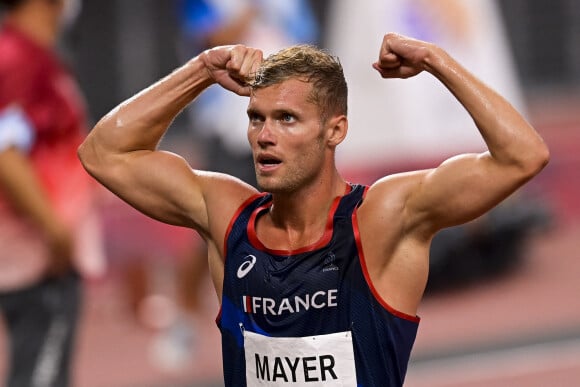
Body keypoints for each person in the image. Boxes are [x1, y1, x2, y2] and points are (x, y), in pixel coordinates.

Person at [78, 33, 549, 386]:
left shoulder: (381, 218)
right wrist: (202, 69)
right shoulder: (227, 216)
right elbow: (103, 155)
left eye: (286, 119)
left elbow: (522, 156)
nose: (265, 136)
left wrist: (436, 60)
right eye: (256, 118)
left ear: (335, 131)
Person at [0, 0, 104, 386]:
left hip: (45, 252)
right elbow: (4, 152)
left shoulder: (34, 55)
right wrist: (56, 231)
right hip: (37, 256)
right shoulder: (16, 57)